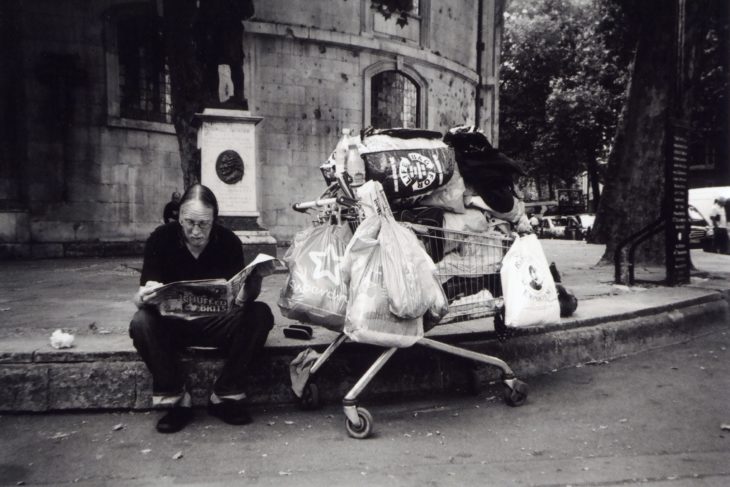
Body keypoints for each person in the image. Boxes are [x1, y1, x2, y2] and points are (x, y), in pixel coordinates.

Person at [130, 184, 273, 433]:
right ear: (179, 218)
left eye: (203, 224)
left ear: (214, 220)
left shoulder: (228, 241)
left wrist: (255, 282)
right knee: (141, 321)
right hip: (173, 325)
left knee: (260, 314)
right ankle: (176, 400)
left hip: (216, 324)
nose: (196, 231)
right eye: (189, 223)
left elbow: (240, 302)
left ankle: (225, 394)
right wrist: (143, 296)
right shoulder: (160, 239)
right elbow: (142, 296)